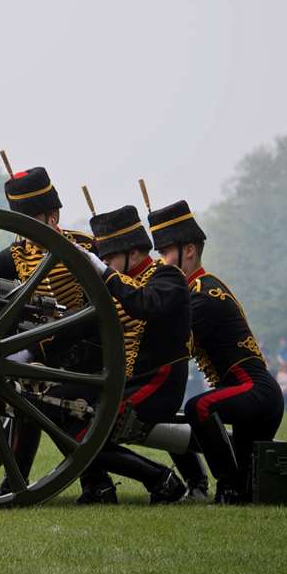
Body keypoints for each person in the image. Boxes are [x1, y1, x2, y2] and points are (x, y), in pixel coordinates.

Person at [148, 199, 284, 504]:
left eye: (166, 253)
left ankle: (227, 487)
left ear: (190, 251)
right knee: (253, 491)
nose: (161, 262)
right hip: (244, 390)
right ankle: (221, 486)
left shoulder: (204, 295)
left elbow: (168, 339)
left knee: (199, 407)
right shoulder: (193, 291)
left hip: (253, 390)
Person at [0, 166, 100, 487]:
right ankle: (15, 482)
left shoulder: (85, 247)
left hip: (89, 355)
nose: (27, 229)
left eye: (34, 219)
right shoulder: (11, 258)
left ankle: (94, 482)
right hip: (40, 355)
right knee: (26, 399)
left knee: (38, 402)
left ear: (54, 215)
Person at [73, 203, 192, 505]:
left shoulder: (168, 277)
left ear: (135, 252)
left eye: (110, 257)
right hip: (121, 381)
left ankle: (161, 479)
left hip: (157, 384)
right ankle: (97, 488)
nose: (106, 263)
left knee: (90, 435)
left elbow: (144, 304)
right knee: (60, 415)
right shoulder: (117, 283)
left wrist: (106, 276)